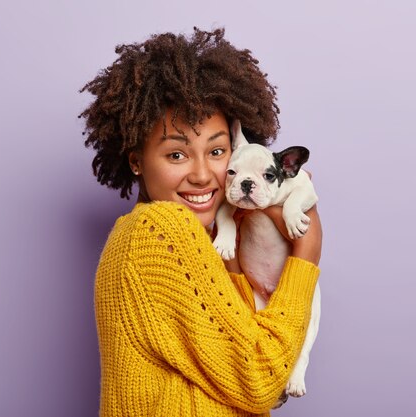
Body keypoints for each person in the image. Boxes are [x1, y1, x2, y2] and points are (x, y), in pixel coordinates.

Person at [79, 27, 322, 417]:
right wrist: (307, 254)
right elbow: (260, 379)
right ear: (136, 160)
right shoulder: (159, 229)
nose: (203, 174)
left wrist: (234, 255)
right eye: (177, 154)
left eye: (217, 150)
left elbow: (240, 345)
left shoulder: (181, 237)